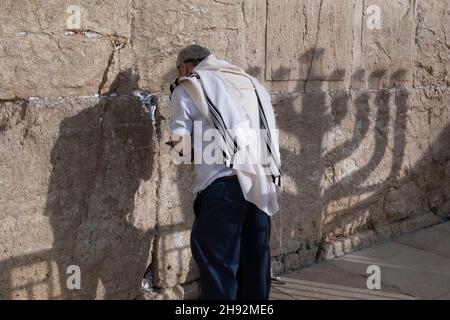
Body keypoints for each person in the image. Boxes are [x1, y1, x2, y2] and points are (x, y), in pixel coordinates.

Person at [169, 44, 282, 300]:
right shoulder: (251, 83)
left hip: (222, 187)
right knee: (255, 267)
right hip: (261, 185)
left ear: (185, 66)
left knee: (219, 269)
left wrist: (187, 147)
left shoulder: (190, 86)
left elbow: (180, 147)